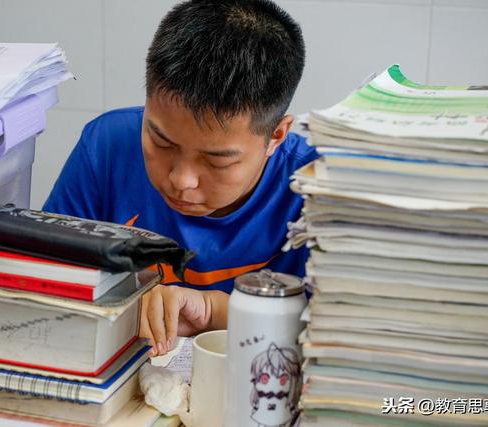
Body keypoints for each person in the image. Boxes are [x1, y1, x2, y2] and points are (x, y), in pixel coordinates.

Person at [43, 0, 318, 357]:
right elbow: (45, 281)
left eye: (217, 160)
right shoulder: (107, 146)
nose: (182, 180)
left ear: (276, 136)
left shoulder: (318, 187)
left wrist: (215, 312)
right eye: (161, 142)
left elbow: (340, 333)